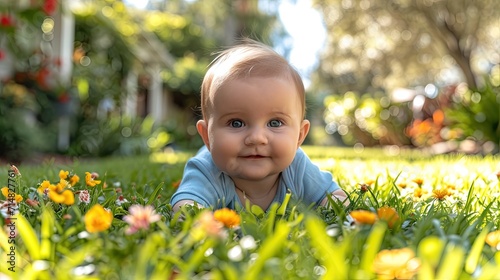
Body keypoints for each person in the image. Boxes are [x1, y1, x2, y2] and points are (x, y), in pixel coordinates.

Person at [170, 39, 348, 212]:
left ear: (300, 136)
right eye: (236, 123)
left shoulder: (297, 168)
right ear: (207, 136)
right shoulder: (207, 170)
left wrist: (337, 209)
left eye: (275, 123)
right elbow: (186, 206)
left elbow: (335, 197)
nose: (256, 138)